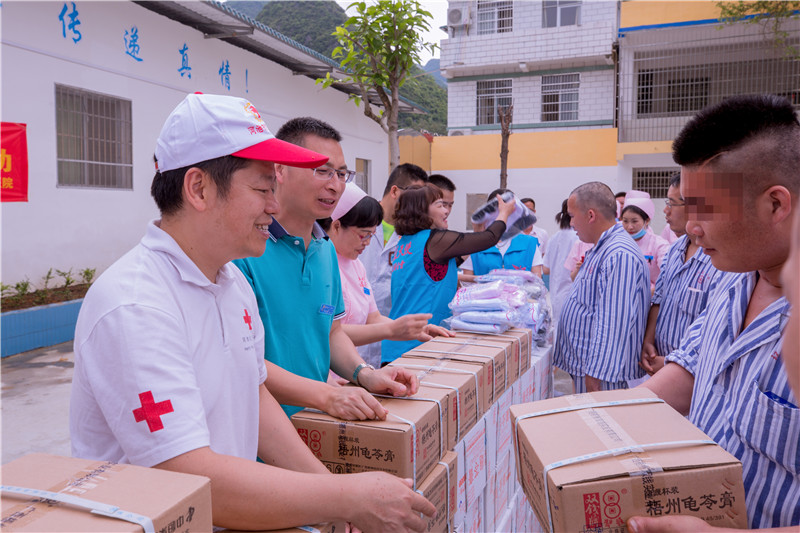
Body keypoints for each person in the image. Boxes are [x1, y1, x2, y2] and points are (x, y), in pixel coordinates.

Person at [69, 93, 435, 532]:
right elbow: (183, 475)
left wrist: (338, 507)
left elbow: (256, 398)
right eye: (263, 189)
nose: (274, 206)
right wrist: (345, 497)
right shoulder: (135, 305)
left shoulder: (231, 284)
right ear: (199, 188)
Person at [638, 94, 799, 530]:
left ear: (776, 205)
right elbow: (690, 370)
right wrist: (593, 421)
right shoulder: (731, 274)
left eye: (705, 210)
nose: (691, 227)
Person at [234, 117, 419, 421]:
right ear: (280, 169)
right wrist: (329, 395)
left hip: (317, 422)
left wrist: (365, 373)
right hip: (258, 431)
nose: (335, 185)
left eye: (342, 173)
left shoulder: (325, 251)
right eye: (322, 171)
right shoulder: (245, 250)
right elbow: (244, 361)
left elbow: (331, 333)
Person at [319, 182, 454, 369]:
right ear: (336, 226)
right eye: (363, 235)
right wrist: (391, 330)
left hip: (355, 367)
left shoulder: (356, 266)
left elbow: (373, 317)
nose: (367, 243)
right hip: (329, 373)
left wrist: (413, 330)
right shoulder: (321, 265)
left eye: (372, 235)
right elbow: (329, 332)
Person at [381, 184, 515, 364]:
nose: (446, 211)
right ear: (422, 211)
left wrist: (476, 232)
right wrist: (504, 213)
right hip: (416, 347)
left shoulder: (406, 243)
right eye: (440, 205)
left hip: (398, 344)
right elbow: (490, 238)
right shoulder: (433, 239)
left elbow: (440, 268)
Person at [554, 182, 650, 393]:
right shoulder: (602, 248)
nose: (570, 223)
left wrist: (595, 376)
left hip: (603, 377)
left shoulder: (619, 254)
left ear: (590, 215)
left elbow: (613, 323)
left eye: (572, 216)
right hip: (589, 368)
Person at [640, 173, 718, 375]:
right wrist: (648, 341)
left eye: (672, 204)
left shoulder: (717, 261)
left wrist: (671, 363)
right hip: (659, 361)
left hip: (691, 372)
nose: (665, 211)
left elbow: (712, 328)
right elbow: (658, 300)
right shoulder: (674, 250)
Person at [361, 163, 429, 317]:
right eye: (415, 194)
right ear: (394, 191)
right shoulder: (359, 220)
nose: (419, 203)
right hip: (353, 320)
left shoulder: (415, 234)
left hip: (391, 322)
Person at [462, 188, 543, 277]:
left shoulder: (529, 243)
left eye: (511, 210)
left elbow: (537, 281)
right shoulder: (475, 245)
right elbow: (467, 283)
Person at [620, 192, 671, 291]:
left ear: (646, 220)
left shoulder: (659, 245)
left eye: (635, 221)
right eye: (625, 221)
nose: (629, 226)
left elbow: (668, 274)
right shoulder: (619, 243)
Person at [543, 199, 579, 323]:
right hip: (573, 296)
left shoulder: (554, 238)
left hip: (556, 295)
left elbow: (546, 269)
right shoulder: (579, 238)